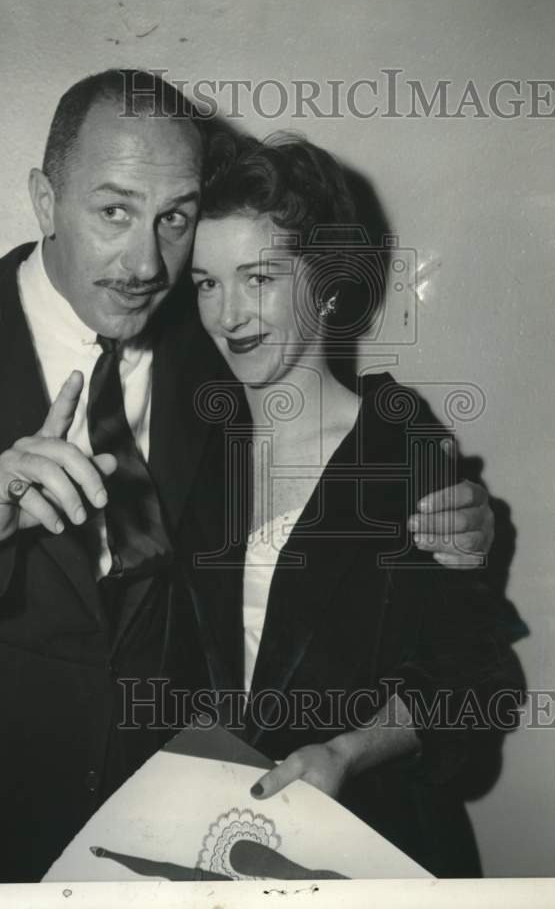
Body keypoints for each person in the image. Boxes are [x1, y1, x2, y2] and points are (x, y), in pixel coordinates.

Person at [0, 70, 496, 883]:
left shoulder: (214, 357)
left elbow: (368, 524)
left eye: (174, 222)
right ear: (44, 199)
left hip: (162, 841)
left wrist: (470, 519)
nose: (145, 263)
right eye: (114, 210)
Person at [182, 132, 526, 877]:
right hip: (212, 843)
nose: (228, 313)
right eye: (206, 282)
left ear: (330, 282)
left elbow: (477, 684)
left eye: (259, 277)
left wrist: (347, 750)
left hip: (371, 846)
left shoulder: (402, 452)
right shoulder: (195, 457)